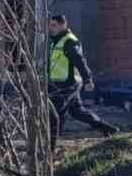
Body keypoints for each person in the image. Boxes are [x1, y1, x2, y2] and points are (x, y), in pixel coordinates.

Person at [46, 13, 117, 149]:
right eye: (50, 25)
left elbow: (80, 61)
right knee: (77, 112)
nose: (51, 28)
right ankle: (107, 128)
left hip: (68, 84)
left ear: (63, 25)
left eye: (54, 25)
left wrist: (87, 79)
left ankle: (51, 146)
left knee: (55, 113)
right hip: (58, 84)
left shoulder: (69, 41)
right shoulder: (55, 41)